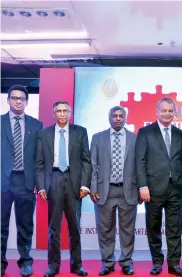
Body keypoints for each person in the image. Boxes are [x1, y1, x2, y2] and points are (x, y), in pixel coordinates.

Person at [35, 100, 92, 277]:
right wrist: (41, 186)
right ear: (54, 114)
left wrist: (85, 184)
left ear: (70, 112)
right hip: (53, 179)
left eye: (65, 111)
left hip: (74, 181)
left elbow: (86, 161)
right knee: (54, 228)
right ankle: (53, 266)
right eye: (58, 111)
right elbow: (39, 163)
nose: (62, 114)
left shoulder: (80, 132)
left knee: (75, 226)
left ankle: (76, 266)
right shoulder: (43, 134)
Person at [135, 97, 182, 276]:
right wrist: (142, 186)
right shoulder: (145, 132)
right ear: (157, 111)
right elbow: (139, 161)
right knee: (154, 227)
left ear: (174, 113)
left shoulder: (181, 134)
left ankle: (174, 264)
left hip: (176, 188)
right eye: (163, 110)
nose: (167, 114)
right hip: (152, 188)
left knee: (175, 228)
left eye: (170, 111)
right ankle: (157, 262)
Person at [90, 106, 138, 276]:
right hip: (105, 191)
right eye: (114, 116)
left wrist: (140, 189)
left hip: (128, 191)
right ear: (109, 118)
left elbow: (140, 166)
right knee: (105, 230)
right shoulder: (97, 138)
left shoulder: (135, 138)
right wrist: (93, 188)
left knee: (127, 231)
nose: (118, 118)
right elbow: (93, 165)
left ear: (125, 118)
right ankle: (108, 263)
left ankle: (126, 263)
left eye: (121, 115)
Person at [1, 85, 43, 277]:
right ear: (8, 100)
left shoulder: (36, 125)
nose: (18, 101)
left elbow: (39, 156)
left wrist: (38, 181)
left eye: (22, 98)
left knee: (25, 225)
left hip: (26, 182)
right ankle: (1, 263)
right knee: (1, 225)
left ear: (27, 101)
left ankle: (25, 262)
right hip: (3, 181)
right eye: (14, 98)